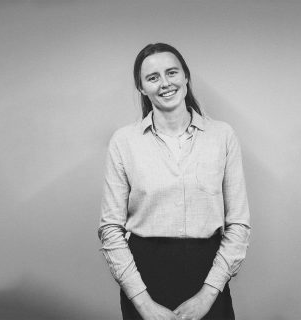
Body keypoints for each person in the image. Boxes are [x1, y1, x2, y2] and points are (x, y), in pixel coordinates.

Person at [98, 43, 251, 320]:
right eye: (152, 77)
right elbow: (110, 229)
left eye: (172, 72)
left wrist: (207, 295)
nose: (165, 83)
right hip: (144, 279)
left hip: (208, 275)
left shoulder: (222, 136)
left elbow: (238, 224)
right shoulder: (124, 142)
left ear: (185, 77)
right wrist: (143, 303)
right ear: (142, 88)